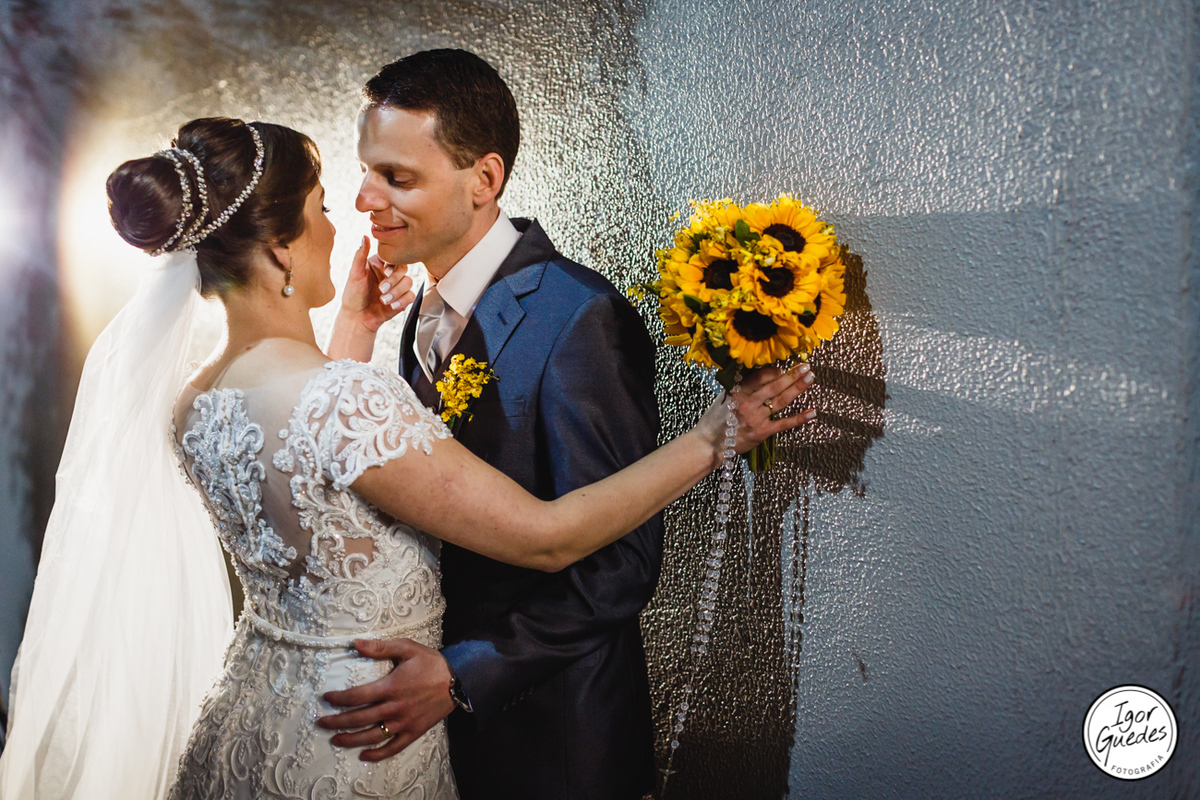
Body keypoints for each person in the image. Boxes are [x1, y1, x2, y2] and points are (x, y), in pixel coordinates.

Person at [0, 115, 814, 800]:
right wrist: (717, 436)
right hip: (361, 742)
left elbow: (315, 460)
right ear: (281, 253)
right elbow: (548, 536)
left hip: (254, 721)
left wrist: (350, 331)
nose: (345, 217)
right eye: (321, 206)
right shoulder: (341, 400)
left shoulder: (195, 399)